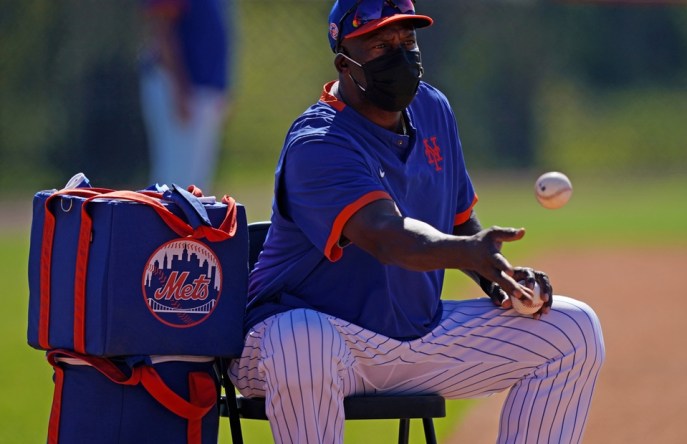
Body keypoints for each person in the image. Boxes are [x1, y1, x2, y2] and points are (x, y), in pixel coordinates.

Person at [230, 1, 605, 442]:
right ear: (344, 63)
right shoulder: (320, 143)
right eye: (380, 45)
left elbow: (461, 223)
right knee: (302, 339)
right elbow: (389, 237)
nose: (400, 56)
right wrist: (468, 251)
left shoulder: (432, 109)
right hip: (293, 338)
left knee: (572, 329)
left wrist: (499, 279)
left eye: (407, 41)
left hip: (411, 336)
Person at [139, 0, 232, 192]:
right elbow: (162, 29)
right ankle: (159, 223)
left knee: (196, 184)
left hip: (205, 87)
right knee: (174, 182)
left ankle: (187, 223)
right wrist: (179, 90)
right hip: (180, 85)